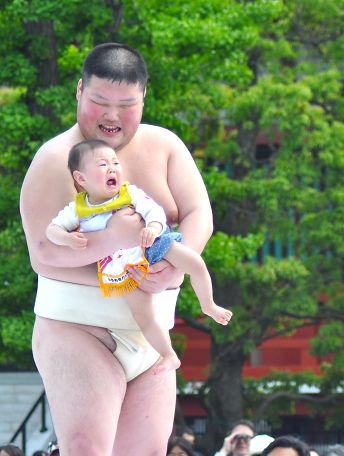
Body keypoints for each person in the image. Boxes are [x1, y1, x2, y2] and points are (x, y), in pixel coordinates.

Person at [21, 42, 214, 454]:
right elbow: (43, 253)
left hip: (152, 332)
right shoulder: (55, 159)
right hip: (79, 329)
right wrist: (110, 240)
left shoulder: (165, 146)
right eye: (99, 101)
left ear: (144, 98)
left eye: (126, 104)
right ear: (78, 91)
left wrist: (178, 265)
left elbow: (199, 212)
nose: (111, 116)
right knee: (89, 449)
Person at [45, 139, 232, 374]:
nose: (112, 168)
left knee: (195, 262)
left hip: (150, 244)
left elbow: (154, 211)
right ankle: (168, 354)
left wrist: (153, 227)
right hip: (122, 264)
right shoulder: (78, 209)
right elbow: (52, 230)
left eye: (115, 162)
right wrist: (67, 238)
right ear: (81, 178)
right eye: (103, 164)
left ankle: (208, 304)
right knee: (143, 316)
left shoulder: (129, 192)